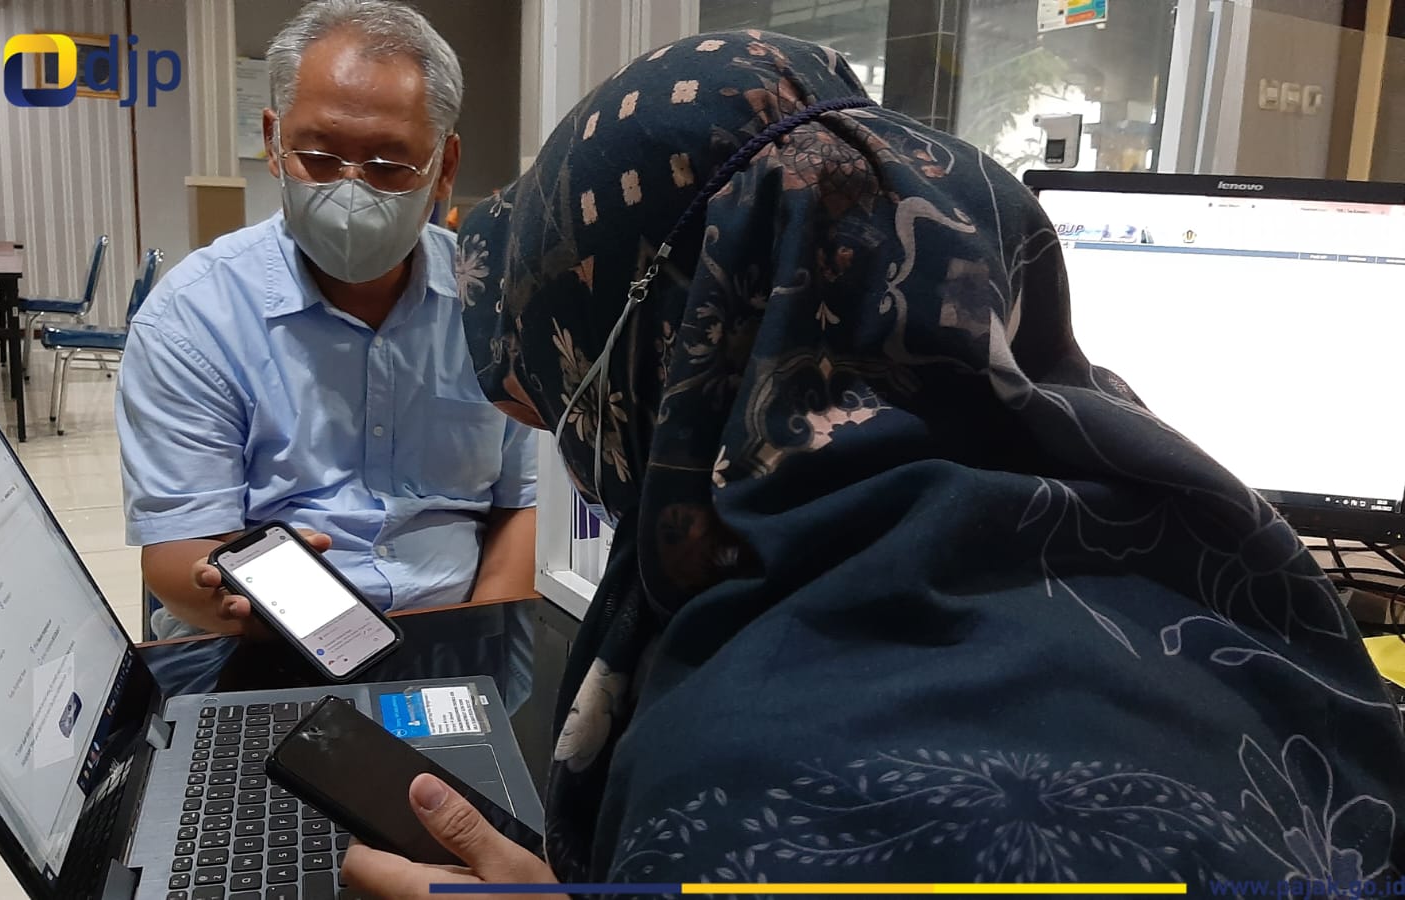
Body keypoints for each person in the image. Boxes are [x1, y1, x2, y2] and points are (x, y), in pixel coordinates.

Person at [339, 31, 1405, 896]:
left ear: (673, 352)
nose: (543, 415)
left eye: (549, 376)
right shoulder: (1201, 549)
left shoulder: (755, 776)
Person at [116, 0, 537, 697]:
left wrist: (477, 648)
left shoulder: (495, 305)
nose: (350, 191)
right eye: (317, 157)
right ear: (272, 141)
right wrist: (233, 596)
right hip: (256, 650)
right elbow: (175, 550)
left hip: (457, 635)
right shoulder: (193, 318)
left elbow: (522, 504)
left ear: (445, 165)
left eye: (389, 164)